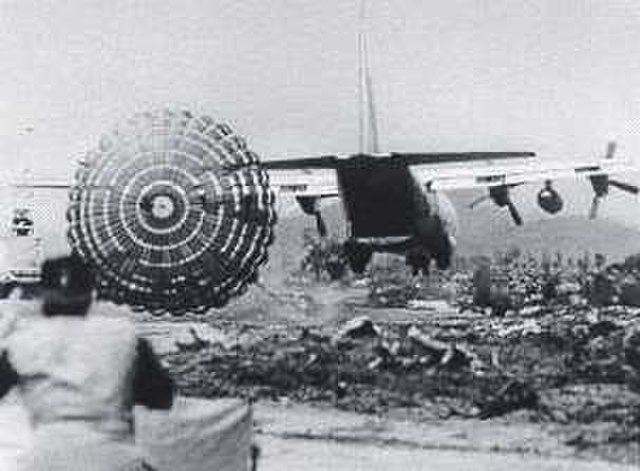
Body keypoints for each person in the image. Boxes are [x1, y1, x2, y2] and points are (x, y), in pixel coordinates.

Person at [0, 254, 174, 471]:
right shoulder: (124, 335)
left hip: (46, 457)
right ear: (91, 293)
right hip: (112, 455)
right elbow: (161, 398)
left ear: (42, 294)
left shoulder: (21, 340)